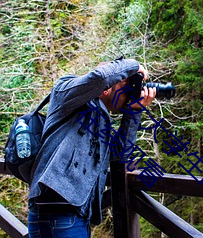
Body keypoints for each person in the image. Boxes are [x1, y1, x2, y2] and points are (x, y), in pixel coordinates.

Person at [27, 58, 156, 238]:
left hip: (73, 214)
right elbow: (100, 77)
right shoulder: (66, 90)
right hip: (59, 212)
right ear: (109, 85)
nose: (129, 95)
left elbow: (119, 154)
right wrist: (134, 66)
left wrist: (134, 111)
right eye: (126, 86)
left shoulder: (101, 118)